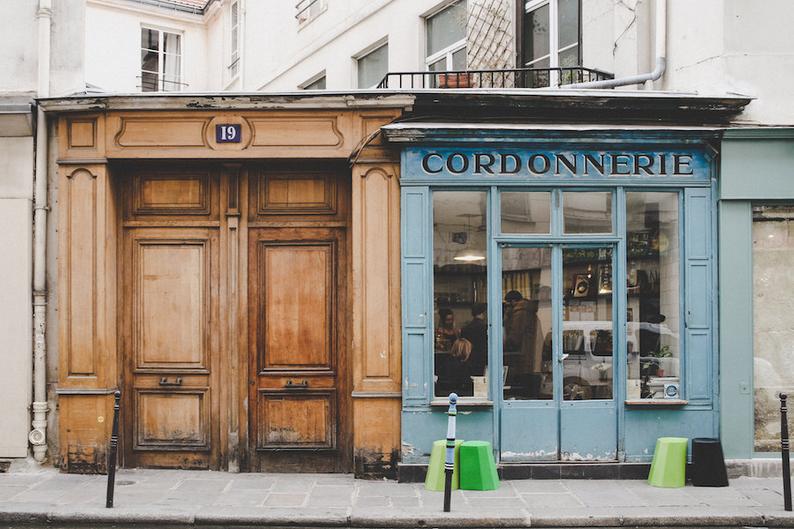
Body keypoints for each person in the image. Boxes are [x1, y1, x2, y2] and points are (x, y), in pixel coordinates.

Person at [503, 290, 544, 398]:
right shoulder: (530, 312)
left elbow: (514, 338)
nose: (506, 308)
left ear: (513, 302)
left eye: (507, 305)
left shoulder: (520, 313)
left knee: (520, 395)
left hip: (521, 361)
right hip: (532, 362)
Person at [460, 303, 488, 376]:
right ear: (483, 312)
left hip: (470, 360)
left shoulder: (465, 328)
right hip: (483, 359)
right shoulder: (486, 328)